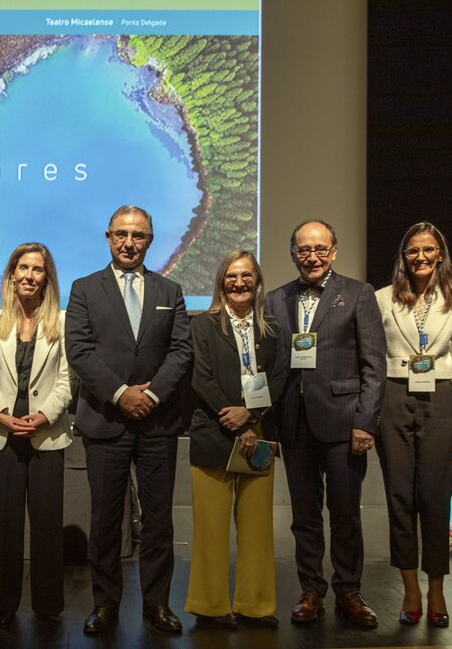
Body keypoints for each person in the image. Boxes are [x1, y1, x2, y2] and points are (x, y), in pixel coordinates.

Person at [65, 205, 192, 635]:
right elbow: (79, 350)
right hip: (105, 419)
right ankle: (105, 605)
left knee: (158, 521)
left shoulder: (170, 290)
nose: (129, 242)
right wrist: (122, 394)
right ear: (108, 237)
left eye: (138, 235)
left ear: (149, 240)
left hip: (158, 422)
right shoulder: (84, 289)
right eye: (121, 234)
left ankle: (157, 605)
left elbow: (181, 350)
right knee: (105, 520)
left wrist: (151, 395)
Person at [264, 219, 386, 627]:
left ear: (333, 252)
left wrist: (366, 422)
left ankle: (349, 590)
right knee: (304, 516)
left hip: (344, 423)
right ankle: (311, 590)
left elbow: (374, 365)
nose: (312, 256)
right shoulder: (275, 299)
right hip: (293, 423)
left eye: (320, 249)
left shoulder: (358, 293)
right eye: (304, 249)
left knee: (346, 513)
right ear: (293, 254)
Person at [375, 222, 452, 628]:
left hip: (440, 399)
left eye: (428, 249)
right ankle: (410, 589)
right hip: (394, 396)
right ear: (404, 256)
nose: (420, 257)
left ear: (440, 254)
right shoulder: (382, 299)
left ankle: (436, 589)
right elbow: (374, 355)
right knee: (400, 497)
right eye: (413, 250)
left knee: (435, 498)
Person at [184, 250, 287, 629]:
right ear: (221, 282)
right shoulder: (203, 325)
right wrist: (237, 421)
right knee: (210, 529)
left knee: (258, 527)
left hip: (258, 435)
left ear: (257, 281)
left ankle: (255, 606)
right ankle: (209, 607)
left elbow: (279, 376)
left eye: (246, 275)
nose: (239, 282)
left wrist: (252, 417)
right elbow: (201, 378)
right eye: (231, 276)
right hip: (214, 433)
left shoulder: (272, 328)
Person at [0, 243, 72, 627]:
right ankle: (3, 604)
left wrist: (45, 415)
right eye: (23, 268)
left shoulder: (63, 323)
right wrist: (0, 414)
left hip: (45, 432)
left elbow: (67, 381)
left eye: (37, 269)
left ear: (46, 279)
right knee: (2, 523)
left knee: (47, 525)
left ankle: (47, 605)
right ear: (11, 275)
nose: (29, 276)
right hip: (3, 431)